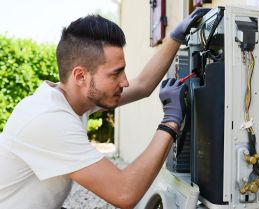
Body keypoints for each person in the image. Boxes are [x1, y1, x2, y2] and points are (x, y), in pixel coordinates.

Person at [0, 9, 209, 209]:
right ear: (80, 76)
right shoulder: (49, 119)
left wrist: (175, 37)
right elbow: (124, 193)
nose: (125, 82)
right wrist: (171, 121)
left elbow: (143, 85)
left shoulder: (72, 100)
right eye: (115, 74)